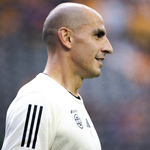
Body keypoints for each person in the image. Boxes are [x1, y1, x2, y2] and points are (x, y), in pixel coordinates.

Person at [1, 2, 113, 150]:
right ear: (67, 38)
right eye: (97, 36)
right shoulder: (38, 98)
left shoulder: (69, 100)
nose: (108, 48)